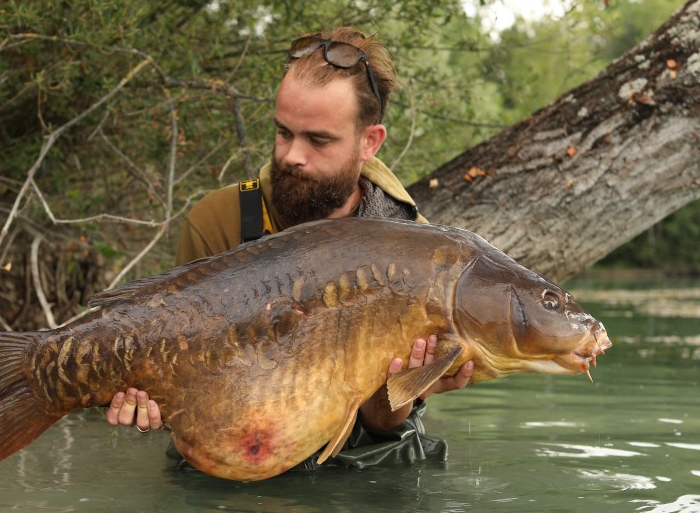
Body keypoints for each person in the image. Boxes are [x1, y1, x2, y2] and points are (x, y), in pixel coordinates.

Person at [107, 27, 474, 469]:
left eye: (317, 140)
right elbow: (184, 384)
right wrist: (151, 401)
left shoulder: (422, 253)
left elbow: (385, 422)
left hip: (365, 475)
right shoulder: (220, 219)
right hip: (237, 460)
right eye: (283, 133)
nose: (292, 156)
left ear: (369, 142)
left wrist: (406, 389)